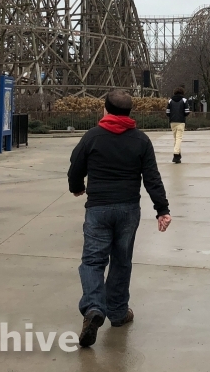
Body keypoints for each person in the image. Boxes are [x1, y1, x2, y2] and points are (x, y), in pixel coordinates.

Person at [68, 90, 171, 347]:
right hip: (127, 209)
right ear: (130, 112)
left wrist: (77, 187)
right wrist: (162, 209)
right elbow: (152, 178)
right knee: (121, 261)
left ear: (105, 109)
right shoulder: (141, 140)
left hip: (98, 208)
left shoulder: (92, 137)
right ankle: (117, 312)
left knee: (92, 261)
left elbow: (75, 166)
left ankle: (93, 308)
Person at [166, 87, 190, 163]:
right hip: (181, 121)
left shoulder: (170, 101)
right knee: (179, 138)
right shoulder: (184, 100)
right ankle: (176, 154)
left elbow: (167, 112)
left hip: (172, 122)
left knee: (175, 138)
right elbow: (187, 111)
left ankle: (178, 156)